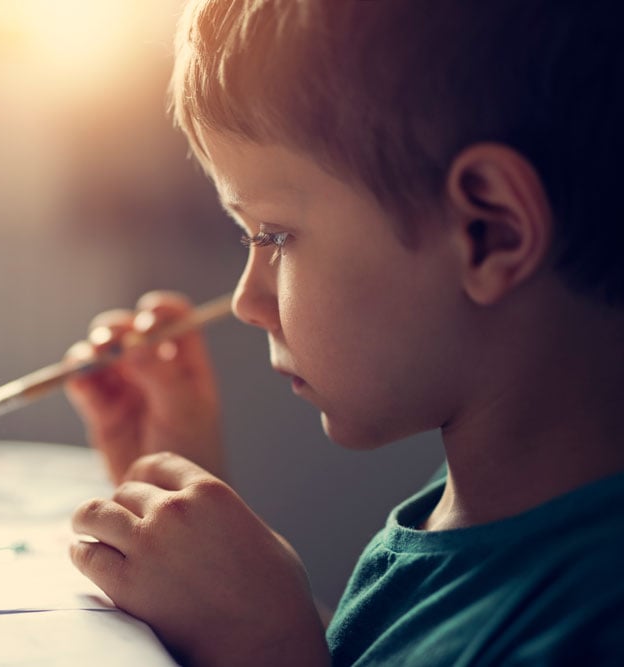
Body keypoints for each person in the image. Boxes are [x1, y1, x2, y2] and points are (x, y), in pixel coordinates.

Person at [63, 1, 624, 665]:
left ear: (489, 231)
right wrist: (192, 501)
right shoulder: (474, 519)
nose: (246, 301)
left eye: (274, 235)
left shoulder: (592, 623)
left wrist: (266, 649)